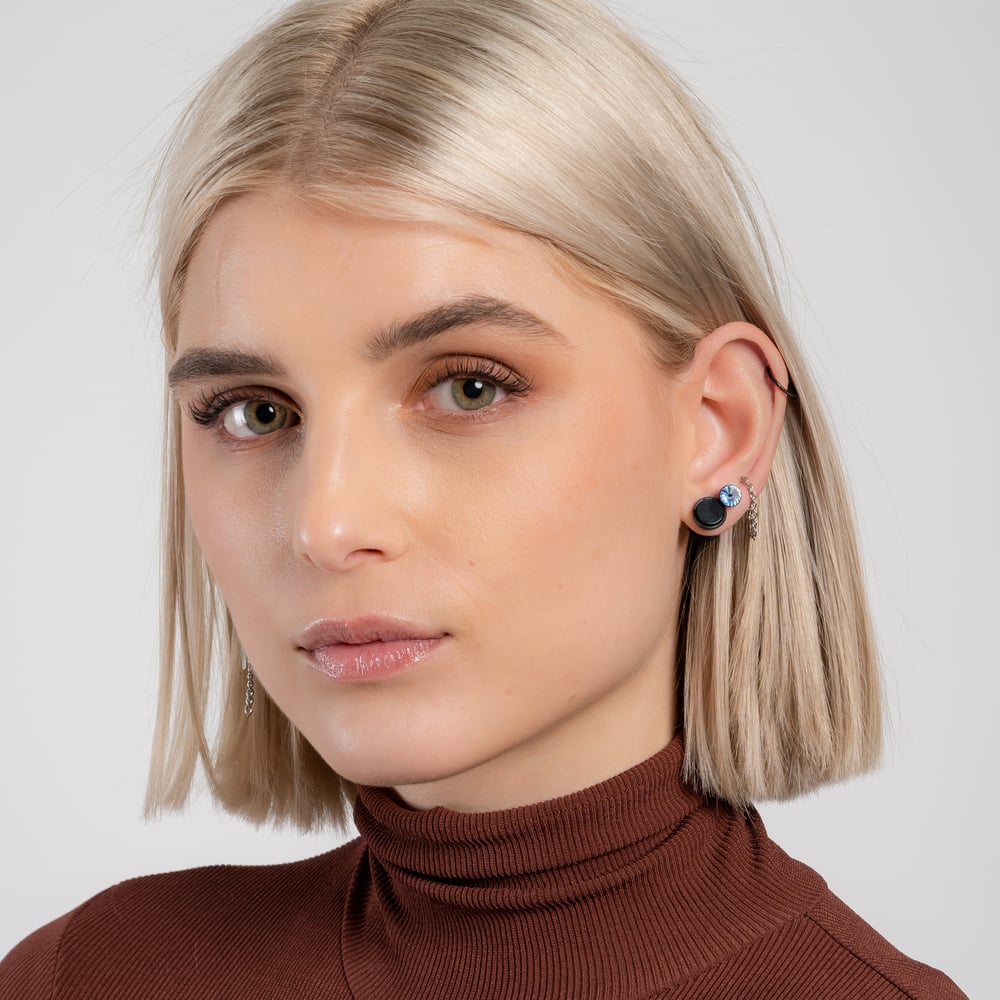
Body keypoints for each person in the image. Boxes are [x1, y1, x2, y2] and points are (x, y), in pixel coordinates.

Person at [0, 0, 969, 996]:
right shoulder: (86, 977)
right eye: (255, 411)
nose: (327, 526)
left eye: (469, 387)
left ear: (718, 426)